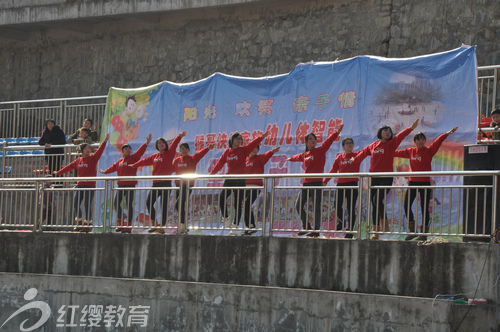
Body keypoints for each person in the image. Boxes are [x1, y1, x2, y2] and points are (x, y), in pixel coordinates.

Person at [353, 119, 419, 239]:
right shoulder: (373, 145)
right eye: (385, 130)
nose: (388, 132)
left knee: (377, 199)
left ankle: (384, 225)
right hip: (373, 177)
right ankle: (376, 232)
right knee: (374, 203)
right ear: (380, 132)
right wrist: (354, 160)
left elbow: (401, 135)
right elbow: (362, 153)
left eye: (390, 131)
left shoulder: (391, 143)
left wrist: (411, 128)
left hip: (386, 177)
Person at [395, 127, 458, 241]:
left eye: (423, 139)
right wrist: (384, 150)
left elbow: (438, 141)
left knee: (424, 208)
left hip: (424, 183)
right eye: (418, 139)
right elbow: (394, 153)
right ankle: (413, 231)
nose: (421, 141)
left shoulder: (429, 151)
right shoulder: (410, 151)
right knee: (406, 205)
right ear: (415, 141)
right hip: (413, 183)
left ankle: (424, 234)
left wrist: (447, 133)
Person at [287, 124, 344, 237]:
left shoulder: (321, 150)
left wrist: (336, 132)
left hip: (317, 182)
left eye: (314, 139)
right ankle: (306, 225)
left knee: (316, 207)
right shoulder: (305, 154)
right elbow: (297, 157)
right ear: (306, 142)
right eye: (310, 139)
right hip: (306, 183)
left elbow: (329, 141)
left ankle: (316, 230)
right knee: (298, 205)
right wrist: (290, 159)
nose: (313, 141)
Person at [209, 130, 270, 234]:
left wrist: (261, 137)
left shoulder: (244, 150)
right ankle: (226, 218)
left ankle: (235, 226)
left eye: (241, 139)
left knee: (237, 204)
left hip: (240, 180)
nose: (239, 140)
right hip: (229, 179)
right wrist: (212, 173)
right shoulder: (227, 152)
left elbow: (253, 144)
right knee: (222, 198)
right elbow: (220, 164)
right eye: (237, 138)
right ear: (232, 140)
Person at [131, 131, 187, 233]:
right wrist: (134, 165)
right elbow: (143, 161)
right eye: (159, 143)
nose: (161, 144)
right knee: (149, 202)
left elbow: (174, 145)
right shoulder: (154, 156)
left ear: (165, 145)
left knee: (163, 205)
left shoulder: (169, 154)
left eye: (162, 142)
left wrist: (179, 136)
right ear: (157, 146)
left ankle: (162, 227)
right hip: (155, 184)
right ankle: (154, 223)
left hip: (166, 184)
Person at [56, 133, 110, 232]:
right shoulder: (78, 160)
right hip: (80, 185)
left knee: (86, 205)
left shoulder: (93, 158)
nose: (88, 150)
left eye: (89, 148)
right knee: (76, 204)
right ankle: (79, 222)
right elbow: (69, 167)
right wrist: (58, 173)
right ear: (82, 150)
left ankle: (88, 224)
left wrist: (105, 141)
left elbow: (100, 151)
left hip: (90, 185)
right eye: (86, 148)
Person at [100, 134, 153, 233]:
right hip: (121, 185)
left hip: (130, 185)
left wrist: (146, 143)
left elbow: (140, 152)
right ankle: (120, 224)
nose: (128, 150)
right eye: (126, 149)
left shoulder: (133, 158)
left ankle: (128, 225)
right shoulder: (120, 161)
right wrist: (105, 172)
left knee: (129, 205)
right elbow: (113, 168)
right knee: (116, 203)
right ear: (122, 151)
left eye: (129, 149)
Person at [323, 137, 362, 238]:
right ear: (343, 146)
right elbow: (333, 170)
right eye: (347, 143)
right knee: (337, 204)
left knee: (350, 208)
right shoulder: (340, 157)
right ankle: (341, 222)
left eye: (351, 143)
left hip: (352, 184)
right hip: (341, 184)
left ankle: (349, 231)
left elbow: (367, 152)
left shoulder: (356, 155)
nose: (350, 145)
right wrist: (325, 181)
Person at [172, 142, 216, 233]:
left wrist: (208, 148)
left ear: (188, 150)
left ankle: (183, 225)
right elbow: (170, 169)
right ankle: (183, 225)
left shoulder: (192, 158)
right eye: (182, 149)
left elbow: (200, 154)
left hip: (188, 184)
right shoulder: (177, 160)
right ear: (179, 150)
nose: (184, 150)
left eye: (185, 149)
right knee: (180, 205)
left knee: (179, 203)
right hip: (178, 185)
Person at [242, 145, 281, 235]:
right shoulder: (245, 159)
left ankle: (252, 226)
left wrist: (272, 151)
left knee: (247, 204)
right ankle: (249, 227)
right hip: (245, 187)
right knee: (246, 207)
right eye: (254, 147)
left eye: (257, 148)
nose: (255, 150)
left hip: (255, 186)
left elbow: (265, 156)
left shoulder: (259, 158)